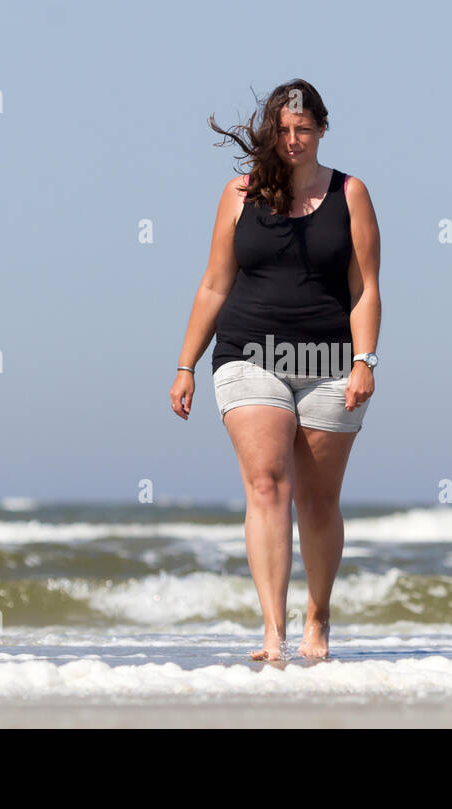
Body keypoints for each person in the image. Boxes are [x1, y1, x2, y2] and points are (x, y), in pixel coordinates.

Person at [169, 79, 382, 661]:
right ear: (271, 131)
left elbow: (364, 287)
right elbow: (215, 283)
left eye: (304, 129)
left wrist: (365, 360)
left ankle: (318, 617)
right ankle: (273, 631)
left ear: (321, 130)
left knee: (317, 500)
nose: (293, 140)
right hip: (247, 355)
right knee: (267, 484)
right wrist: (185, 363)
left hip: (331, 363)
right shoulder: (239, 195)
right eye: (283, 131)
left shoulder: (351, 193)